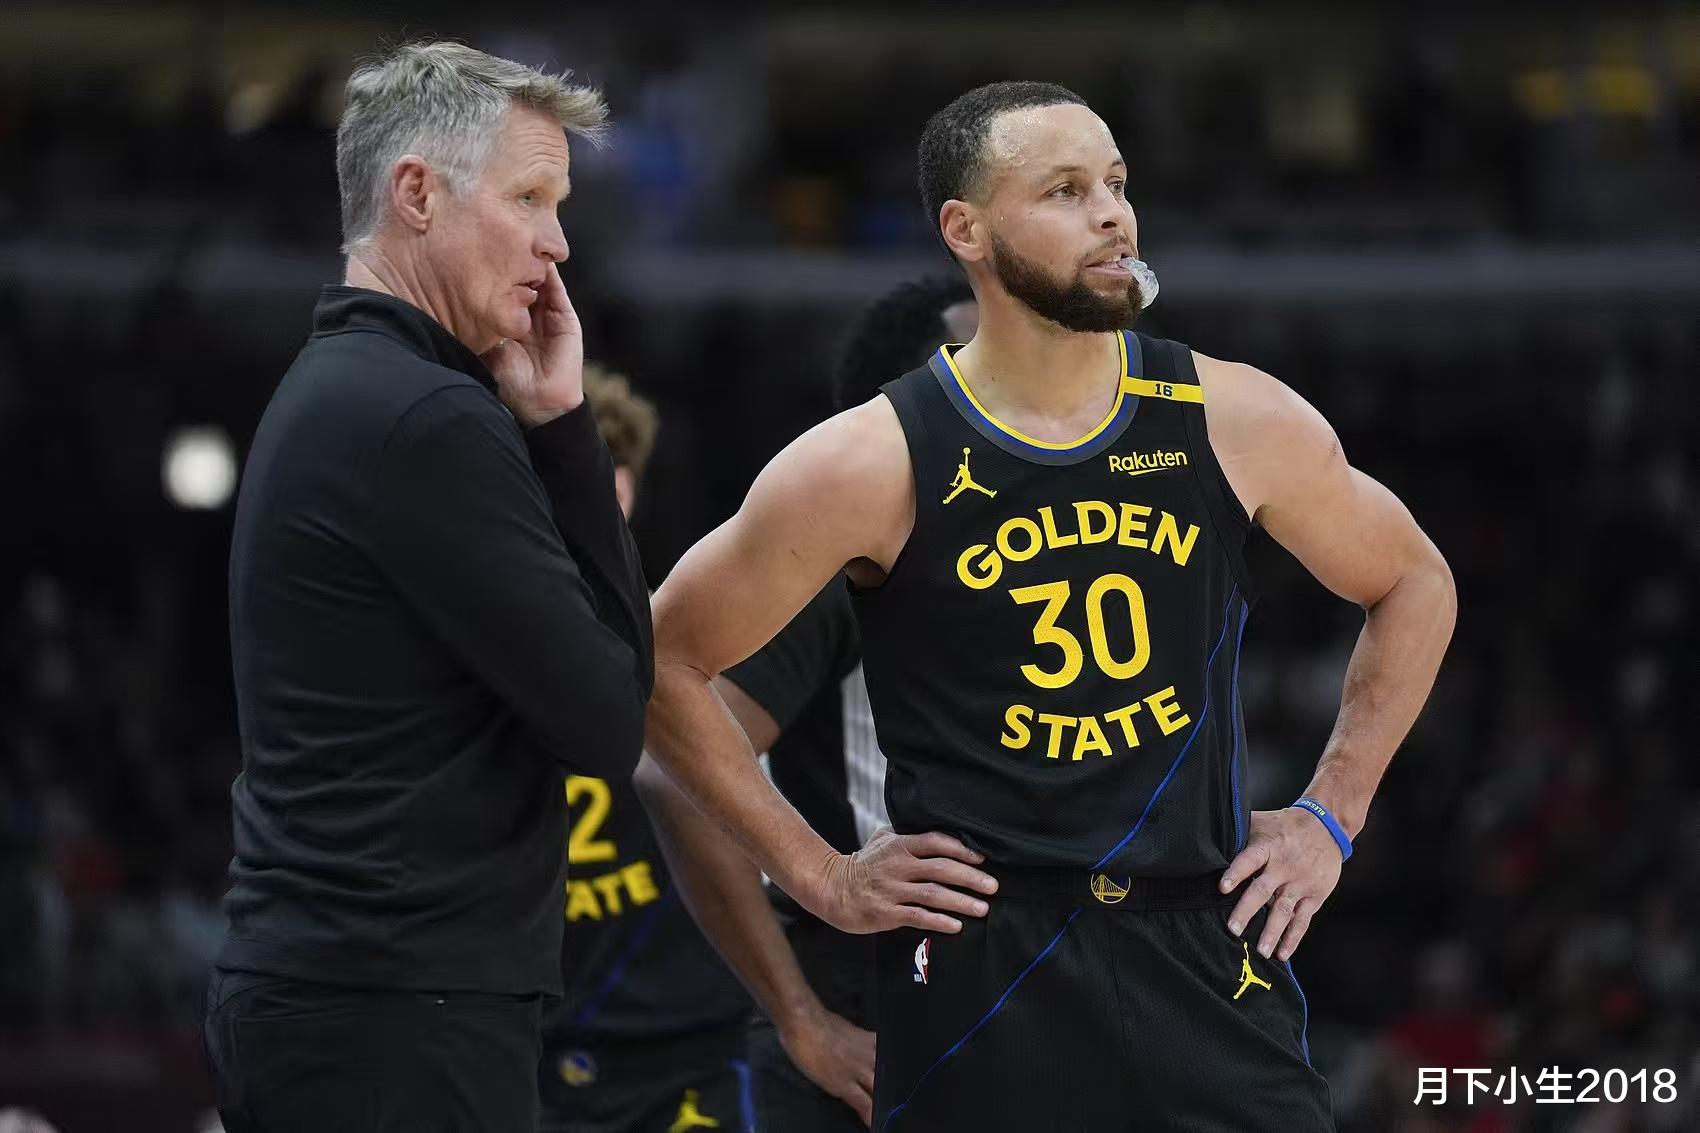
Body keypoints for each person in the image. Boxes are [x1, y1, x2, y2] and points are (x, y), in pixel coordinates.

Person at [642, 81, 1456, 1130]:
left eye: (1115, 183)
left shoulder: (1228, 413)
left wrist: (1329, 813)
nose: (1111, 213)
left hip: (1201, 941)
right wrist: (818, 874)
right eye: (1065, 191)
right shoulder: (868, 459)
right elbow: (661, 659)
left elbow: (1413, 579)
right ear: (965, 231)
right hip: (986, 960)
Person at [204, 42, 652, 1133]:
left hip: (343, 995)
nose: (556, 243)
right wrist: (563, 432)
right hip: (396, 1011)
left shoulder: (343, 387)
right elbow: (606, 714)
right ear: (416, 194)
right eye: (529, 198)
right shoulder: (426, 418)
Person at [636, 276, 976, 1131]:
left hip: (1020, 966)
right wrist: (800, 1012)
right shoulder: (845, 559)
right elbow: (671, 770)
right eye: (982, 363)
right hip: (871, 980)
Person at [541, 366, 755, 1133]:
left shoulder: (691, 648)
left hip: (686, 1045)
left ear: (621, 490)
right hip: (521, 1044)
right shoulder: (455, 651)